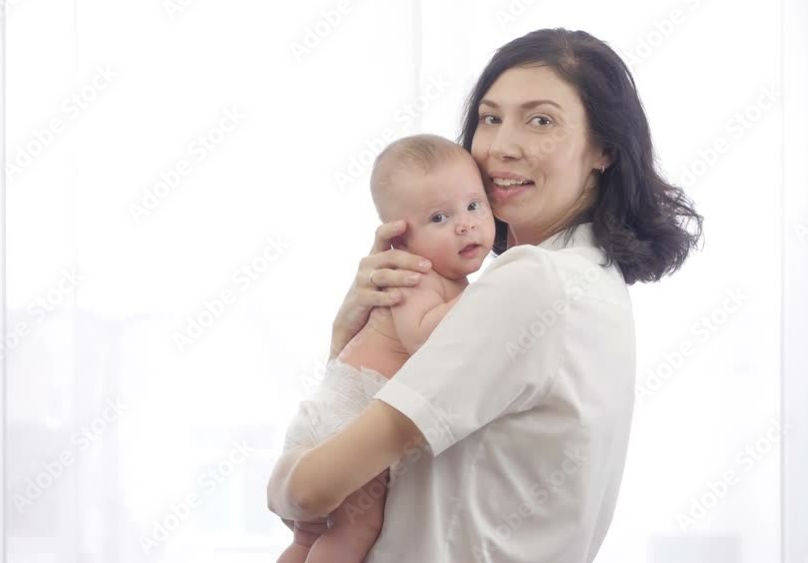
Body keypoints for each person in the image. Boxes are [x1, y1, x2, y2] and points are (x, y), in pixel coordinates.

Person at [267, 28, 703, 562]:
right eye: (490, 118)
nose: (501, 146)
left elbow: (312, 491)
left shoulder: (534, 281)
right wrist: (349, 337)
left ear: (604, 148)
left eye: (540, 120)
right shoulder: (587, 277)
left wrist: (284, 479)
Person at [273, 134, 496, 563]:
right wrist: (485, 296)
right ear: (400, 239)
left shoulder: (436, 278)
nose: (465, 224)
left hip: (334, 411)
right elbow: (421, 336)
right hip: (351, 415)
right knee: (359, 529)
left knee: (309, 538)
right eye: (438, 217)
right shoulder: (415, 276)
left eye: (474, 205)